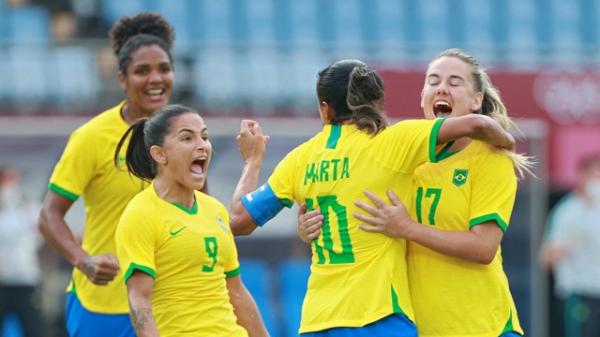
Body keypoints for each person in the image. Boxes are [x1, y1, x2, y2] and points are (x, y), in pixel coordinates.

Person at [230, 59, 515, 336]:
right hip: (382, 317)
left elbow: (238, 220)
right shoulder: (397, 147)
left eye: (454, 82)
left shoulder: (299, 160)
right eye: (433, 81)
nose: (441, 88)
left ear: (325, 109)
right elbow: (477, 124)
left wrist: (253, 160)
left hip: (476, 324)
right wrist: (507, 137)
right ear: (379, 103)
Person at [38, 12, 175, 337]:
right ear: (122, 80)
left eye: (164, 69)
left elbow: (202, 210)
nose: (155, 79)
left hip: (168, 301)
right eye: (142, 71)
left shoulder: (185, 135)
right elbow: (49, 216)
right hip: (104, 305)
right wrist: (83, 260)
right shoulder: (92, 137)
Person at [113, 104, 269, 337]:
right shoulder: (141, 213)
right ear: (159, 154)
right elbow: (139, 299)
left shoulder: (214, 209)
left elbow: (236, 292)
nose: (202, 145)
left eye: (204, 137)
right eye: (187, 138)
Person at [540, 153, 600, 337]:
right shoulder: (568, 212)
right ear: (582, 177)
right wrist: (568, 244)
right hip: (579, 293)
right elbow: (546, 258)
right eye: (595, 176)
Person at [0, 166, 43, 337]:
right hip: (1, 282)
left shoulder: (29, 210)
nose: (11, 185)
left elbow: (38, 237)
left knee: (33, 328)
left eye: (14, 179)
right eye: (7, 179)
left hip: (26, 280)